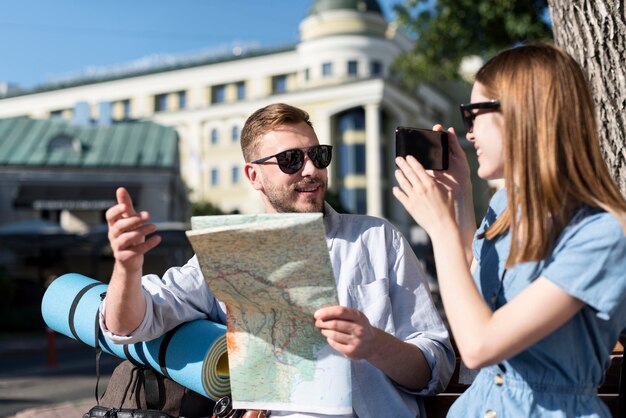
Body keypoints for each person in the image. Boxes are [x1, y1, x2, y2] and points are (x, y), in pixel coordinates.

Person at [101, 103, 455, 418]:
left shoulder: (377, 238)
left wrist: (375, 344)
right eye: (291, 160)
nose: (311, 170)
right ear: (254, 175)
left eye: (318, 155)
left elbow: (435, 366)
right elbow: (128, 324)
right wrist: (127, 268)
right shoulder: (231, 250)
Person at [393, 42, 626, 417]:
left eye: (473, 115)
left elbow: (479, 346)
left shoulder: (604, 234)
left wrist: (440, 230)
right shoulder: (505, 206)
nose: (468, 133)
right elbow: (476, 283)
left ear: (522, 115)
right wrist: (461, 195)